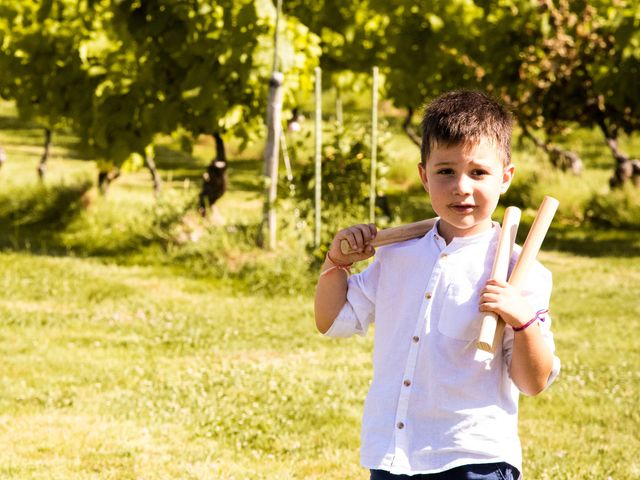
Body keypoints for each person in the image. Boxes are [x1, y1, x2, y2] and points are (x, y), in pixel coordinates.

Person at [314, 90, 560, 479]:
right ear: (423, 176)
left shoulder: (520, 271)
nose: (461, 186)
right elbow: (333, 320)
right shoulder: (397, 255)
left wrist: (523, 320)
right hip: (393, 454)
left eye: (478, 172)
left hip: (473, 458)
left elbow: (533, 382)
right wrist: (335, 264)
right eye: (446, 171)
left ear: (505, 177)